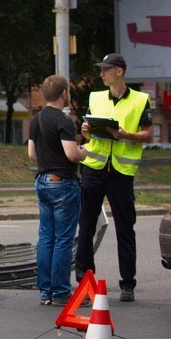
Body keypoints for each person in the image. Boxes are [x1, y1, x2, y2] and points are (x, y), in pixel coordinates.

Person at [75, 53, 152, 302]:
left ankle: (127, 284)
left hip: (121, 173)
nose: (101, 74)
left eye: (106, 70)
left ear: (119, 71)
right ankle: (85, 281)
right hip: (94, 169)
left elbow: (148, 135)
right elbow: (86, 133)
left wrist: (124, 135)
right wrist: (86, 130)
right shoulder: (95, 97)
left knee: (125, 228)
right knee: (86, 227)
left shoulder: (140, 100)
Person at [28, 75, 87, 306]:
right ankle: (62, 292)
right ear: (64, 94)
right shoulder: (64, 121)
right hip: (62, 183)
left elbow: (32, 155)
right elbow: (72, 154)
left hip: (42, 181)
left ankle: (46, 292)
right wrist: (84, 152)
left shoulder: (37, 119)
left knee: (46, 238)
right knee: (63, 239)